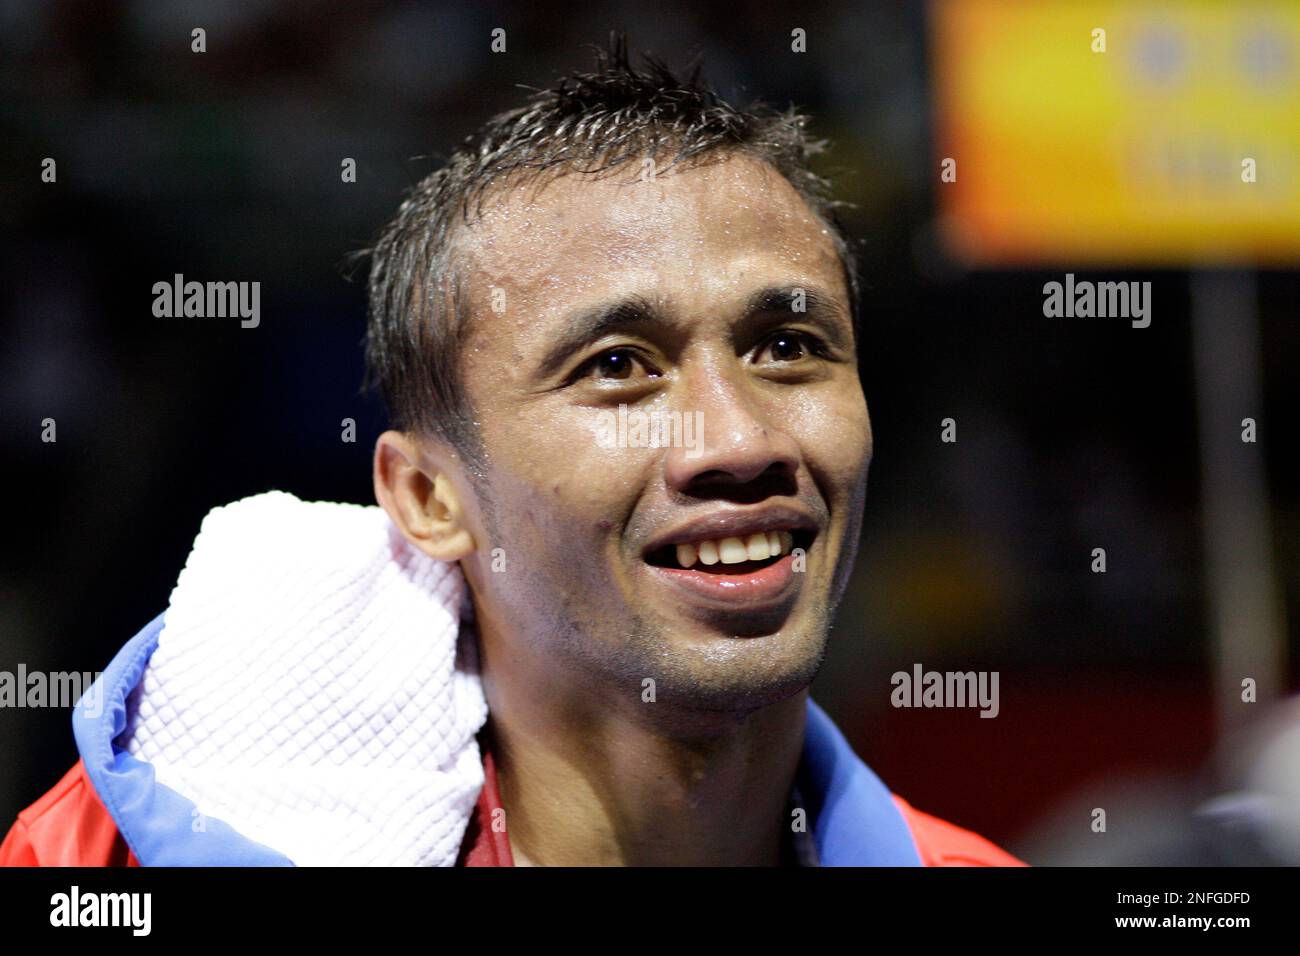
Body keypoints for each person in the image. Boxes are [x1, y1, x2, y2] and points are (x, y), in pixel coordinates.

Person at [1, 39, 1023, 867]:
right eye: (618, 365)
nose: (740, 439)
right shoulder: (102, 862)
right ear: (427, 494)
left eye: (788, 347)